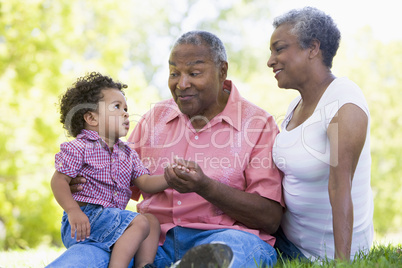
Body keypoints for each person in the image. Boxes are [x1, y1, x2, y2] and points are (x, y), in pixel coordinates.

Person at [65, 31, 284, 267]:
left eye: (194, 73)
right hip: (151, 244)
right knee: (84, 258)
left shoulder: (258, 124)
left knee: (228, 251)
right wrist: (85, 178)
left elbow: (270, 219)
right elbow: (123, 177)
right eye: (174, 73)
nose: (182, 84)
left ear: (222, 71)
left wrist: (205, 186)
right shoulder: (154, 118)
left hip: (224, 236)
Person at [267, 7, 374, 262]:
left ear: (313, 48)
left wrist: (341, 263)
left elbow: (340, 186)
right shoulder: (296, 105)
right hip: (285, 237)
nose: (270, 60)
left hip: (316, 253)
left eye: (279, 49)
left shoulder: (343, 102)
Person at [48, 72, 169, 268]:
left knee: (151, 221)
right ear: (91, 118)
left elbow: (145, 182)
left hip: (111, 219)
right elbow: (59, 181)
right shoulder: (80, 147)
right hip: (85, 219)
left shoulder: (127, 153)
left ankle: (144, 265)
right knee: (139, 222)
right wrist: (73, 210)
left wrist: (170, 178)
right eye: (117, 107)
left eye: (126, 108)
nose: (126, 113)